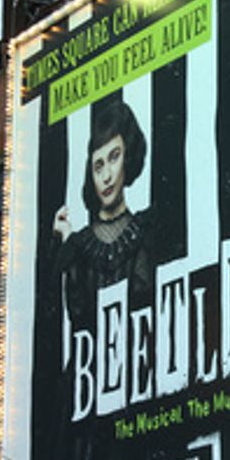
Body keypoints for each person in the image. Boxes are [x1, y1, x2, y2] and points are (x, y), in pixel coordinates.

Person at [52, 98, 154, 328]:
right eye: (98, 166)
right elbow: (78, 316)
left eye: (114, 157)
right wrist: (67, 238)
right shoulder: (79, 244)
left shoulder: (145, 231)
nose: (106, 176)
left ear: (128, 157)